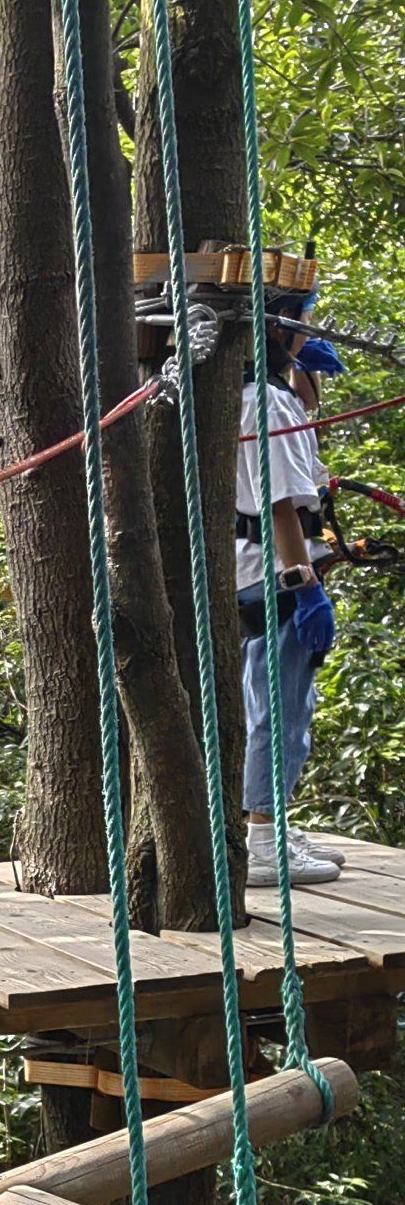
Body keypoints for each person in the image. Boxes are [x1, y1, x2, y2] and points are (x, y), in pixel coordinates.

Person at [236, 303, 341, 888]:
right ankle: (263, 837)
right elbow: (279, 505)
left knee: (267, 705)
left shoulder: (260, 396)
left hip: (256, 569)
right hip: (275, 572)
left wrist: (304, 370)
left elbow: (303, 420)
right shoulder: (268, 404)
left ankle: (263, 825)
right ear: (274, 331)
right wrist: (306, 588)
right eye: (299, 325)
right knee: (282, 710)